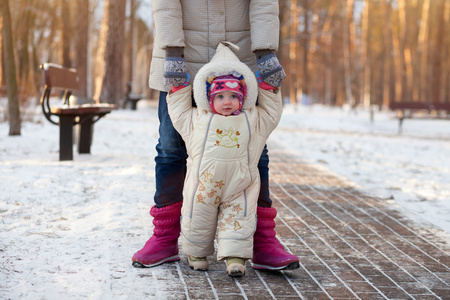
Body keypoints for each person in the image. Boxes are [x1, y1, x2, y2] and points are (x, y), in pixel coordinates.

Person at [132, 0, 299, 271]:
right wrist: (173, 51)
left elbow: (263, 3)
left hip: (239, 62)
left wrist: (266, 52)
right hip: (181, 60)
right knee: (171, 149)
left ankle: (262, 239)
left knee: (253, 150)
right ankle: (164, 236)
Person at [167, 42, 284, 276]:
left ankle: (235, 258)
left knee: (239, 217)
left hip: (240, 185)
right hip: (204, 185)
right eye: (219, 96)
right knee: (198, 216)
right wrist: (178, 84)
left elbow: (272, 112)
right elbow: (178, 110)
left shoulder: (254, 120)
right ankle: (197, 253)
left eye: (233, 96)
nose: (227, 102)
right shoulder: (196, 119)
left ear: (244, 96)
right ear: (208, 97)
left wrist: (270, 86)